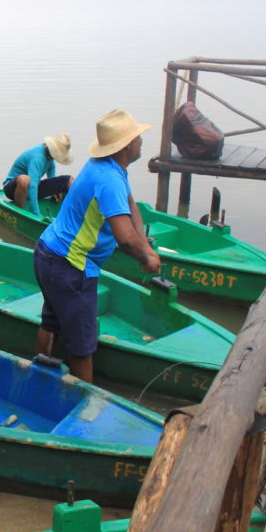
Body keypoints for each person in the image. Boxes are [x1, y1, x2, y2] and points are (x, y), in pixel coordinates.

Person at [33, 110, 161, 383]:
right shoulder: (109, 179)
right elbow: (125, 238)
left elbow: (131, 206)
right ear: (127, 145)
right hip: (70, 265)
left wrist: (147, 249)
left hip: (48, 252)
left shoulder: (106, 165)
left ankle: (41, 378)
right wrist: (145, 259)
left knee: (51, 322)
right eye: (138, 137)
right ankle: (85, 404)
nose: (141, 141)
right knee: (81, 346)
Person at [3, 133, 74, 218]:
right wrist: (36, 214)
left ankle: (74, 214)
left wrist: (55, 192)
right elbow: (33, 186)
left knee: (69, 180)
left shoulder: (50, 158)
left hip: (31, 187)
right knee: (24, 180)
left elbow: (51, 177)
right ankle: (19, 213)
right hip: (14, 189)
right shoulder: (37, 158)